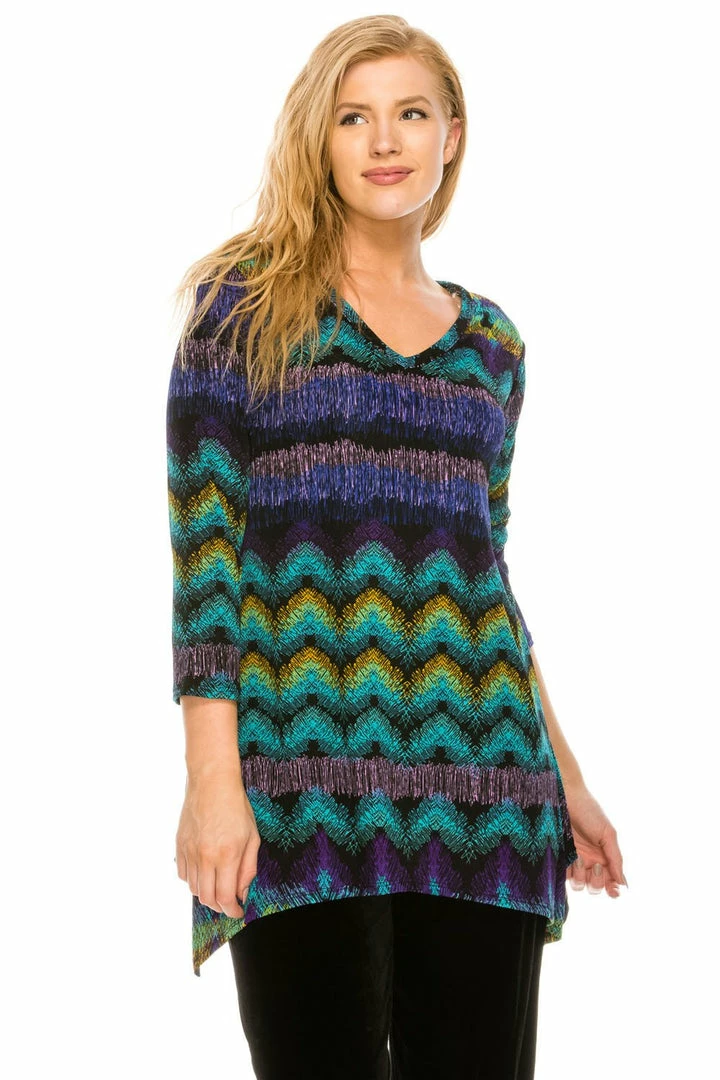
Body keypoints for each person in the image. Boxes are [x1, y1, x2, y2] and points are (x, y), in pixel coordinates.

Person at [166, 14, 627, 1079]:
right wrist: (212, 780)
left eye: (411, 113)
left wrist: (566, 775)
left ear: (450, 135)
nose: (385, 141)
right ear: (318, 139)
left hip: (486, 786)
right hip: (299, 782)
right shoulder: (245, 313)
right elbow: (205, 557)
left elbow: (483, 572)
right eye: (353, 117)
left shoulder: (492, 345)